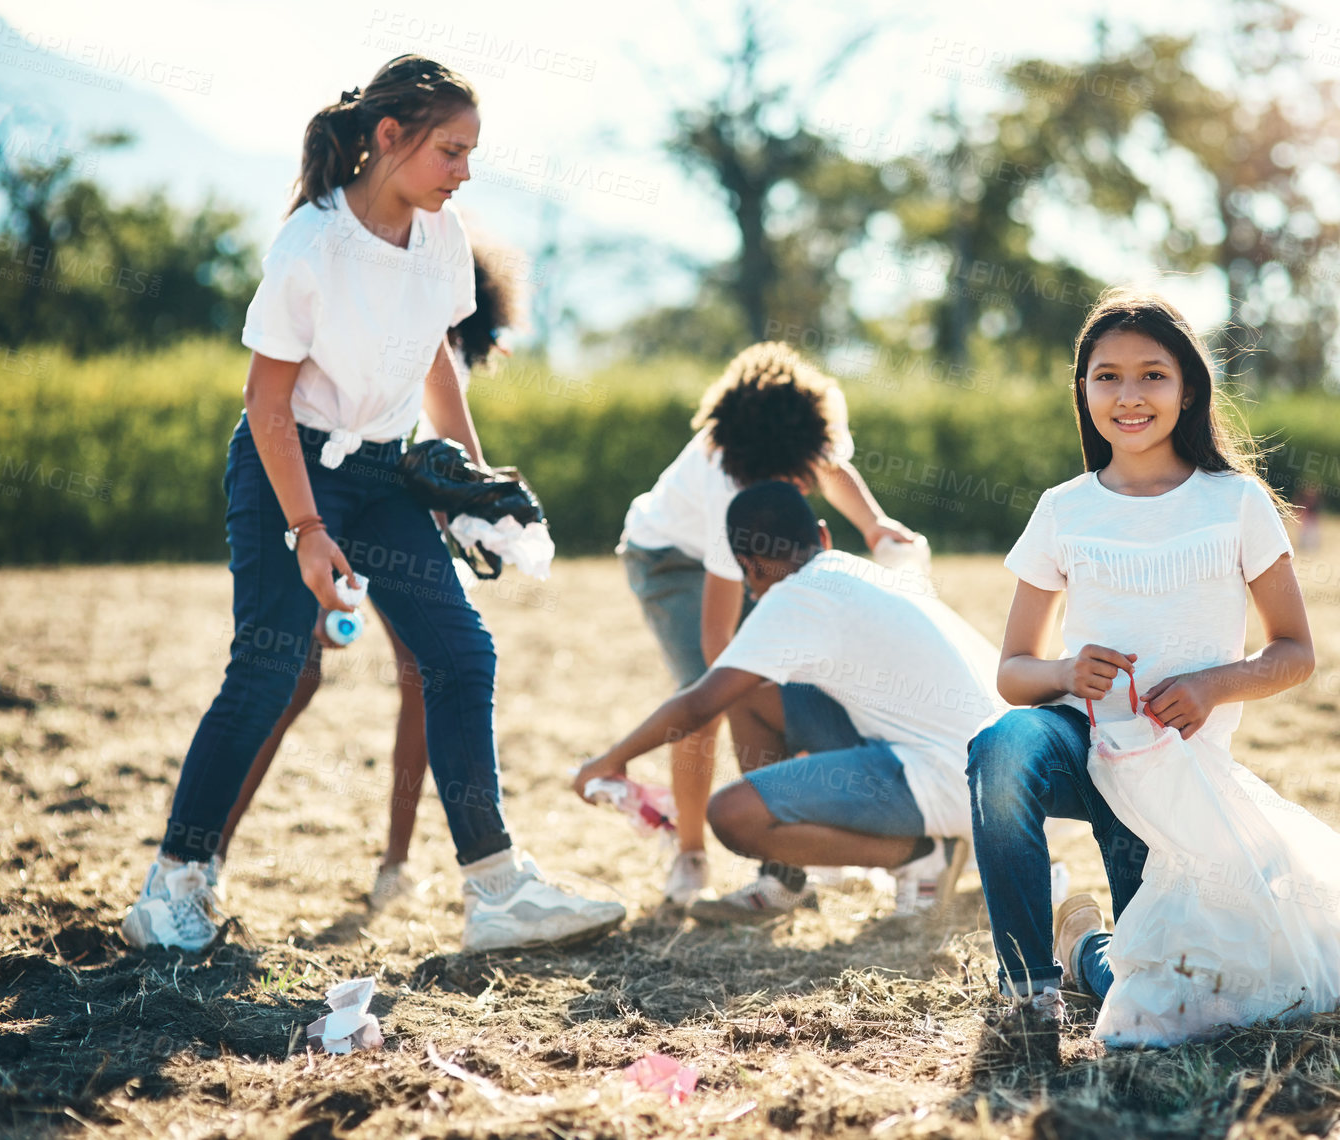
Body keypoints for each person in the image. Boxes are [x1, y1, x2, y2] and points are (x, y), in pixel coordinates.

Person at [122, 55, 623, 955]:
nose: (465, 170)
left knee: (460, 656)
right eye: (450, 151)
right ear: (388, 138)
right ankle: (175, 885)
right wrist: (308, 531)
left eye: (471, 153)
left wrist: (472, 480)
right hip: (292, 466)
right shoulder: (309, 247)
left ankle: (497, 888)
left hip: (389, 474)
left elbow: (434, 351)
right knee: (268, 672)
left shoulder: (440, 232)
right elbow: (266, 403)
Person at [967, 288, 1313, 1066]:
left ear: (1189, 388)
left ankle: (1086, 944)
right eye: (1106, 377)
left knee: (1164, 996)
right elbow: (1013, 672)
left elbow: (1294, 651)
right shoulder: (1063, 509)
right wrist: (1064, 669)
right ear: (1083, 390)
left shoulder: (1236, 503)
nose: (1129, 396)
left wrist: (1214, 685)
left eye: (1153, 375)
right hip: (1078, 742)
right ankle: (1027, 989)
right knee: (1000, 751)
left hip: (1174, 774)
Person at [213, 245, 518, 911]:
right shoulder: (405, 311)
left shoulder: (434, 325)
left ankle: (392, 862)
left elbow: (438, 448)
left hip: (386, 511)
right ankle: (215, 852)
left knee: (413, 665)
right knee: (315, 672)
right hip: (341, 498)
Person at [578, 482, 992, 923]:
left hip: (946, 782)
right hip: (986, 770)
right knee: (749, 692)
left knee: (732, 815)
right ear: (823, 536)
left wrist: (609, 761)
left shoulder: (793, 597)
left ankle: (920, 855)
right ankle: (785, 879)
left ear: (748, 565)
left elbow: (699, 703)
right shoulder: (855, 572)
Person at [615, 342, 919, 906]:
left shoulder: (804, 437)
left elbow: (832, 470)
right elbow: (717, 643)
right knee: (704, 696)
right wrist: (735, 688)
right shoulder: (731, 489)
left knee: (795, 687)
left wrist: (875, 526)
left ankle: (797, 852)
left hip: (751, 553)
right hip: (668, 559)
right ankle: (689, 854)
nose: (797, 487)